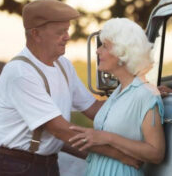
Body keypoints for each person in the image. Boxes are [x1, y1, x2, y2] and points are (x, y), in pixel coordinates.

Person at [0, 0, 141, 176]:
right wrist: (120, 155)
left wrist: (138, 94)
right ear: (36, 34)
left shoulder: (63, 65)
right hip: (13, 165)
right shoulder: (21, 73)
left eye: (67, 30)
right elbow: (60, 129)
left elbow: (94, 109)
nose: (67, 37)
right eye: (60, 32)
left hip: (46, 163)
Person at [68, 18, 166, 176]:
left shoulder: (145, 94)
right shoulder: (118, 92)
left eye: (105, 46)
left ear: (123, 53)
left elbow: (156, 153)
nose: (98, 51)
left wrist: (108, 138)